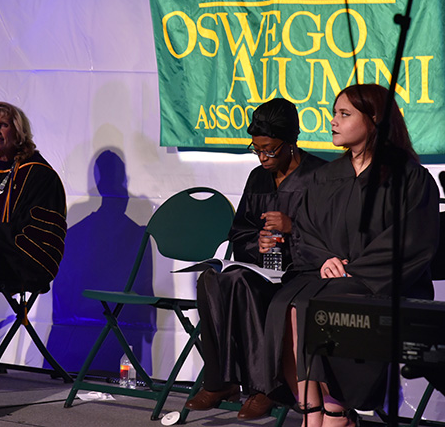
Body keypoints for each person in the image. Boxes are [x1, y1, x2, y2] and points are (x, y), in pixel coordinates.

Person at [263, 84, 439, 427]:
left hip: (385, 284)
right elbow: (305, 229)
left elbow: (413, 241)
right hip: (328, 277)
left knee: (323, 307)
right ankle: (311, 412)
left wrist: (356, 270)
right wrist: (324, 258)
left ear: (374, 121)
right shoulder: (326, 176)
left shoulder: (407, 177)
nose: (333, 121)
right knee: (286, 304)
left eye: (345, 114)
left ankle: (335, 411)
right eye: (334, 113)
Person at [185, 98, 327, 420]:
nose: (263, 157)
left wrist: (293, 228)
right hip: (262, 268)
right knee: (211, 279)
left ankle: (265, 388)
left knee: (239, 283)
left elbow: (334, 237)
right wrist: (257, 243)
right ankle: (220, 381)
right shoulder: (257, 178)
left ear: (291, 142)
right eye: (257, 149)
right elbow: (240, 232)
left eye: (270, 150)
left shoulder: (320, 177)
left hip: (302, 272)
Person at [0, 102, 67, 322]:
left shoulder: (40, 176)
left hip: (22, 261)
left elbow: (39, 231)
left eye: (3, 125)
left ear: (18, 132)